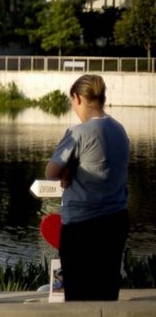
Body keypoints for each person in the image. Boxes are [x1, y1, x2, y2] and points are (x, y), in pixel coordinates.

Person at [45, 74, 129, 301]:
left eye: (72, 102)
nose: (74, 108)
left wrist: (65, 168)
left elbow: (50, 172)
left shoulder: (79, 133)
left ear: (78, 98)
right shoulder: (120, 130)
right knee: (107, 291)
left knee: (79, 296)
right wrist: (73, 168)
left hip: (83, 226)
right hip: (116, 221)